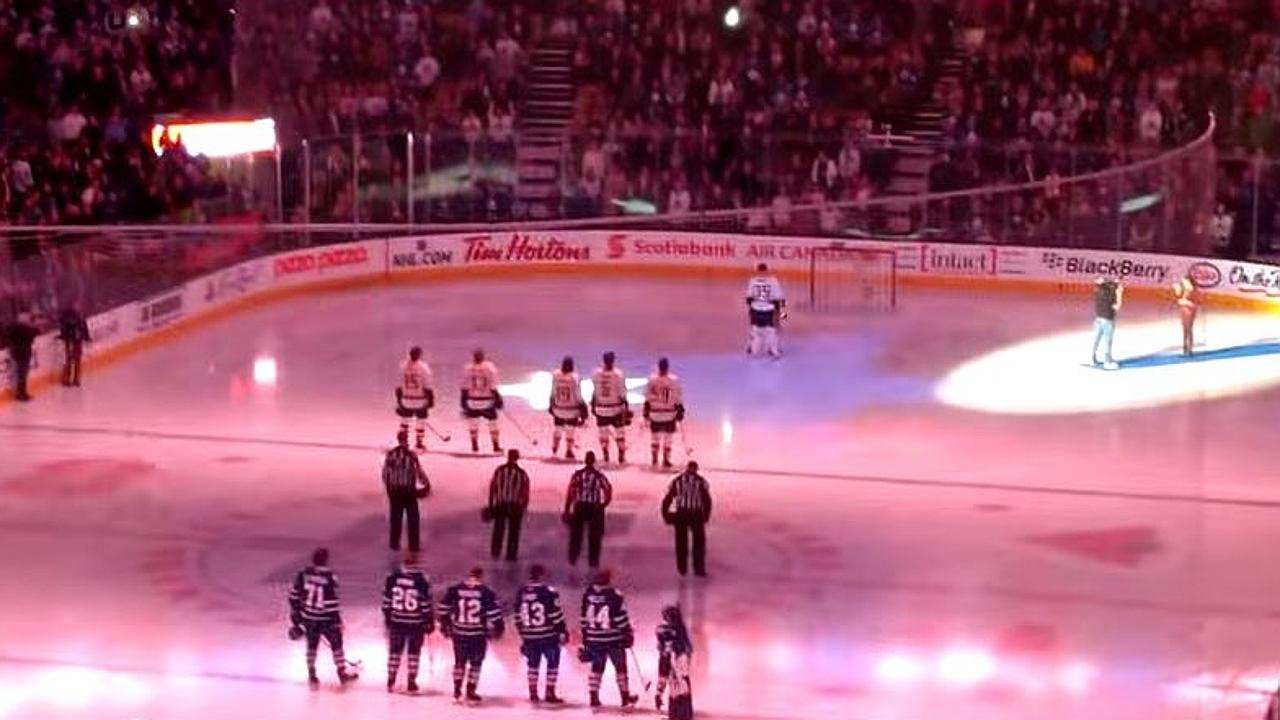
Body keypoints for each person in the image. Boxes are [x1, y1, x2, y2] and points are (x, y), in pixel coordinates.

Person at [288, 547, 358, 688]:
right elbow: (332, 601)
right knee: (337, 645)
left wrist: (297, 614)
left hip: (309, 618)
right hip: (326, 619)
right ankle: (341, 673)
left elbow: (293, 595)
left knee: (311, 646)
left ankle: (311, 674)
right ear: (326, 560)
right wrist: (337, 619)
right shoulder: (330, 576)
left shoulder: (303, 574)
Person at [438, 566, 504, 704]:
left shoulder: (455, 589)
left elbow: (443, 609)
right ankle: (470, 690)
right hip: (477, 633)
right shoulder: (486, 592)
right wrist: (499, 628)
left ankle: (457, 690)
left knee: (459, 662)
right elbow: (494, 614)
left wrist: (446, 625)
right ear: (481, 576)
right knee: (476, 663)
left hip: (459, 632)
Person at [579, 569, 639, 708]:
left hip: (594, 638)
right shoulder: (615, 595)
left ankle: (593, 696)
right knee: (620, 668)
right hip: (613, 639)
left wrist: (586, 637)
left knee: (597, 667)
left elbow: (583, 618)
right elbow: (621, 618)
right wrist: (627, 633)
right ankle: (624, 696)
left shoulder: (587, 594)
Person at [514, 564, 569, 704]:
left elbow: (517, 615)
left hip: (530, 635)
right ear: (542, 575)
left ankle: (533, 693)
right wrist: (562, 630)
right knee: (552, 663)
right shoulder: (549, 592)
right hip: (548, 635)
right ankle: (550, 692)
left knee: (532, 665)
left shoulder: (521, 592)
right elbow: (555, 614)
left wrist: (523, 632)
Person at [382, 550, 434, 693]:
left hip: (397, 620)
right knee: (414, 653)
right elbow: (425, 603)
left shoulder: (392, 577)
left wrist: (387, 617)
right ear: (417, 562)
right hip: (415, 622)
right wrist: (428, 621)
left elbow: (386, 601)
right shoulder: (422, 579)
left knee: (394, 652)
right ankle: (411, 681)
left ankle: (391, 680)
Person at [661, 461, 713, 577]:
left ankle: (682, 568)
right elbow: (707, 500)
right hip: (695, 514)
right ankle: (698, 569)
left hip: (682, 513)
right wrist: (706, 516)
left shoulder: (677, 481)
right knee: (698, 543)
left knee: (681, 542)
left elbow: (668, 498)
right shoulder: (701, 482)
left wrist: (665, 514)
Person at [563, 451, 613, 568]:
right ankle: (593, 561)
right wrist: (603, 505)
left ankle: (573, 558)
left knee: (576, 535)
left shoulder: (578, 475)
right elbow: (608, 490)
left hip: (580, 506)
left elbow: (570, 492)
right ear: (594, 461)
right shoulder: (599, 476)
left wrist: (567, 508)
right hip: (594, 507)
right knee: (594, 536)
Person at [383, 431, 431, 552]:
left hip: (399, 491)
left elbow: (385, 474)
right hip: (406, 490)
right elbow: (418, 472)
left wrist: (389, 489)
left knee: (399, 519)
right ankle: (411, 546)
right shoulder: (409, 455)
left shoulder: (392, 454)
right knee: (410, 519)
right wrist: (426, 484)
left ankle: (396, 544)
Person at [484, 449, 530, 562]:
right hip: (514, 505)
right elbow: (525, 491)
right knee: (514, 532)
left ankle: (495, 552)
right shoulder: (521, 473)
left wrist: (491, 504)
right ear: (517, 458)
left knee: (498, 529)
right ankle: (511, 555)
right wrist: (523, 507)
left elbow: (492, 488)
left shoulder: (499, 470)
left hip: (500, 504)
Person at [654, 605, 694, 719]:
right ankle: (683, 714)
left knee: (677, 689)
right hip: (680, 661)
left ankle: (677, 714)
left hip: (675, 662)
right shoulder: (680, 631)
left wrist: (658, 693)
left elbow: (662, 673)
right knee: (682, 687)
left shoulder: (662, 630)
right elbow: (688, 648)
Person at [644, 358, 685, 469]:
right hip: (669, 413)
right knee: (668, 438)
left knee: (655, 437)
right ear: (667, 366)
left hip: (655, 413)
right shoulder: (673, 380)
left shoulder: (652, 380)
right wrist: (680, 410)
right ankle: (666, 459)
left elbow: (647, 397)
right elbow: (678, 398)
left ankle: (654, 459)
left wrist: (646, 413)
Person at [591, 351, 631, 463]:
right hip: (615, 409)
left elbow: (595, 392)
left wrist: (593, 407)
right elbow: (622, 394)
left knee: (603, 432)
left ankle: (605, 454)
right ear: (613, 360)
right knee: (620, 432)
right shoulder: (618, 374)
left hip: (601, 407)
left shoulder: (596, 374)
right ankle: (621, 454)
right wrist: (626, 408)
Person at [461, 348, 503, 453]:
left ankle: (474, 445)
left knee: (473, 423)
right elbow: (493, 385)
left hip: (472, 400)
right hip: (487, 401)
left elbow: (464, 387)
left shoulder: (468, 368)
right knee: (493, 422)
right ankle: (496, 446)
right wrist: (498, 399)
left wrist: (463, 402)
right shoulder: (489, 367)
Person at [549, 355, 588, 460]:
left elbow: (553, 392)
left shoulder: (556, 375)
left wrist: (551, 404)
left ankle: (555, 448)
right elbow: (578, 396)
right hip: (571, 410)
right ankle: (569, 450)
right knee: (570, 430)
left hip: (558, 408)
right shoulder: (575, 377)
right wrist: (584, 407)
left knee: (558, 428)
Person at [397, 346, 435, 451]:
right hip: (420, 399)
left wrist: (399, 401)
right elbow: (428, 385)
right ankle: (419, 443)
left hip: (406, 399)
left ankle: (404, 442)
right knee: (421, 420)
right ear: (419, 355)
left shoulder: (403, 366)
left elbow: (399, 386)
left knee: (405, 420)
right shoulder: (423, 367)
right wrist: (431, 400)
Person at [745, 262, 786, 358]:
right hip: (769, 308)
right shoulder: (773, 280)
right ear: (766, 270)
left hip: (756, 308)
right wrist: (778, 312)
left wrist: (752, 308)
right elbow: (778, 297)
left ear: (758, 270)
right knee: (771, 330)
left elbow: (749, 298)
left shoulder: (753, 280)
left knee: (755, 329)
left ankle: (754, 349)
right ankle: (773, 350)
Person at [4, 312, 38, 402]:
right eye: (26, 318)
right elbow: (33, 334)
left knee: (21, 374)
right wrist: (32, 326)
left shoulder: (15, 328)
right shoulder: (24, 329)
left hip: (18, 353)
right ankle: (21, 394)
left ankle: (21, 393)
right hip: (23, 354)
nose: (28, 319)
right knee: (22, 375)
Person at [1091, 278, 1122, 370]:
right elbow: (1117, 306)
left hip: (1098, 319)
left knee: (1096, 339)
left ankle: (1091, 358)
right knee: (1108, 342)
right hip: (1108, 320)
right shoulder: (1111, 296)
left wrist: (1112, 283)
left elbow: (1100, 282)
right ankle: (1107, 361)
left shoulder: (1098, 292)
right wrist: (1119, 294)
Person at [57, 306, 89, 387]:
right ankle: (68, 379)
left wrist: (86, 337)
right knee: (70, 360)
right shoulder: (68, 320)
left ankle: (74, 379)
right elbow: (64, 330)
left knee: (75, 360)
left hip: (76, 341)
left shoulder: (80, 320)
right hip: (71, 341)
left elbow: (84, 329)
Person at [1172, 274, 1200, 356]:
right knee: (1186, 329)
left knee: (1188, 329)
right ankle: (1186, 348)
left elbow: (1194, 302)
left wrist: (1183, 301)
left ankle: (1188, 348)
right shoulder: (1187, 289)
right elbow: (1179, 297)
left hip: (1189, 309)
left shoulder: (1191, 290)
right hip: (1185, 308)